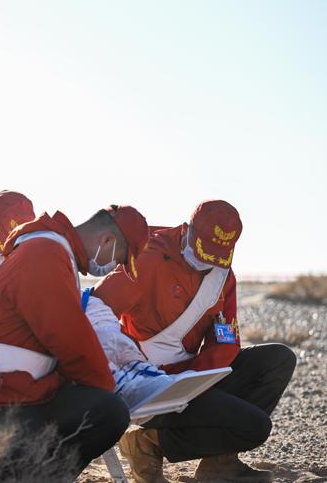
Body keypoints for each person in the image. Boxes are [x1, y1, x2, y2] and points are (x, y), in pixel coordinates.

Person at [93, 200, 297, 483]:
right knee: (255, 428)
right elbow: (95, 314)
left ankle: (219, 463)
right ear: (187, 230)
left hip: (191, 377)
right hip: (148, 385)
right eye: (204, 251)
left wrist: (195, 380)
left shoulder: (222, 274)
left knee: (278, 359)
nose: (208, 262)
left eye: (217, 256)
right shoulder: (147, 256)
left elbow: (225, 342)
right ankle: (147, 443)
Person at [0, 205, 150, 476]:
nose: (113, 267)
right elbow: (68, 339)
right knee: (108, 412)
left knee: (103, 404)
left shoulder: (50, 250)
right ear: (107, 240)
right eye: (118, 259)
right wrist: (106, 386)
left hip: (12, 391)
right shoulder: (46, 254)